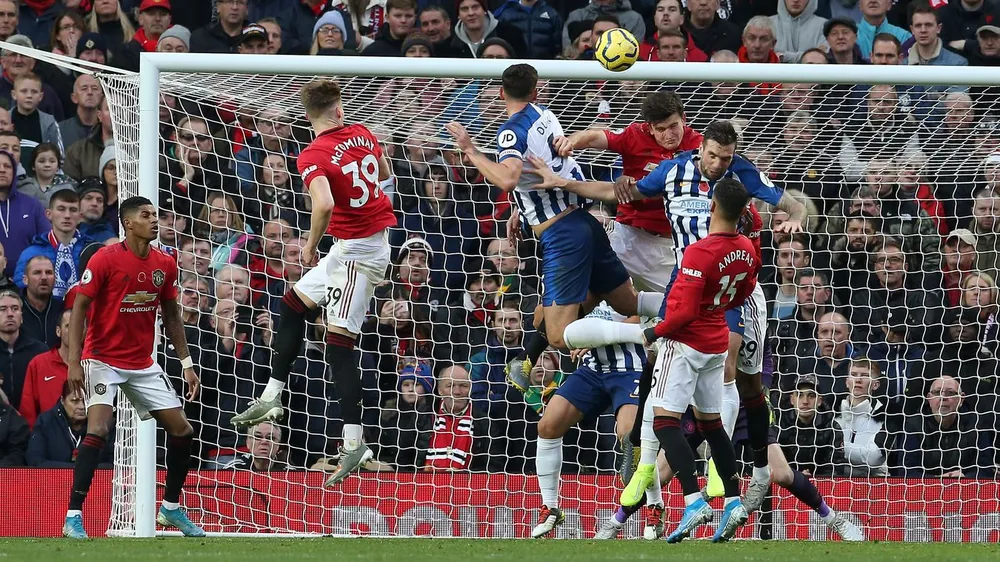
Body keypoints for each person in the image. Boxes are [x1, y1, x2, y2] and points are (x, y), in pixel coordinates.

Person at [229, 79, 397, 489]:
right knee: (291, 305)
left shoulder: (312, 154)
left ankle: (354, 443)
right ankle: (271, 397)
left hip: (356, 254)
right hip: (357, 246)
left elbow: (322, 203)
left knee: (338, 344)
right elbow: (387, 174)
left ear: (308, 117)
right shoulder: (362, 133)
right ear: (339, 110)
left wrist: (309, 246)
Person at [445, 63, 636, 368]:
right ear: (535, 92)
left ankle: (646, 333)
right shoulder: (545, 114)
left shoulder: (510, 132)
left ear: (500, 92)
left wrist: (471, 150)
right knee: (624, 303)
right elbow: (540, 170)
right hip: (582, 221)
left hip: (562, 236)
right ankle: (524, 364)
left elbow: (508, 179)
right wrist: (521, 208)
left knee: (559, 336)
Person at [61, 196, 203, 540]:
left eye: (155, 214)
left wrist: (186, 363)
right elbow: (80, 307)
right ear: (128, 223)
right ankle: (73, 517)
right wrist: (74, 361)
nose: (154, 220)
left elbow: (171, 315)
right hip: (102, 358)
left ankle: (169, 508)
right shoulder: (106, 259)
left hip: (141, 361)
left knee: (182, 431)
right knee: (98, 429)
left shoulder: (165, 263)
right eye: (146, 215)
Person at [634, 178, 758, 543]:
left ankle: (692, 501)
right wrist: (715, 308)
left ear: (713, 207)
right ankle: (734, 502)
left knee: (664, 421)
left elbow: (685, 311)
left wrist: (654, 333)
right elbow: (746, 290)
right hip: (717, 341)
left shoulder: (699, 252)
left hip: (685, 344)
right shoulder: (748, 248)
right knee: (712, 425)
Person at [509, 302, 647, 538]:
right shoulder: (579, 277)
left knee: (629, 434)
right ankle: (550, 506)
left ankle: (655, 507)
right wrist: (553, 296)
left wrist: (594, 337)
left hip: (630, 368)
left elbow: (641, 318)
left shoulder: (629, 273)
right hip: (592, 369)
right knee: (548, 425)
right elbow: (539, 322)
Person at [553, 91, 703, 293]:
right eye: (660, 129)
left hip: (670, 245)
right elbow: (592, 137)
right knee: (582, 297)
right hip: (627, 237)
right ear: (649, 128)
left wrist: (634, 185)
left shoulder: (699, 147)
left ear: (683, 119)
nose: (669, 135)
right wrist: (569, 142)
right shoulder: (634, 135)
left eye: (674, 126)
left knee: (681, 307)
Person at [27, 380, 113, 467]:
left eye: (87, 401)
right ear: (62, 400)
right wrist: (75, 470)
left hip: (94, 479)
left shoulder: (104, 422)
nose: (82, 407)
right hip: (54, 479)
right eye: (74, 401)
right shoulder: (45, 421)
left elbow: (112, 464)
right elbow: (35, 461)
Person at [19, 309, 72, 428]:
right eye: (69, 326)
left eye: (79, 326)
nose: (74, 331)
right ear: (58, 331)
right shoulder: (39, 364)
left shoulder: (94, 366)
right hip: (47, 440)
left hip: (86, 442)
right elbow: (28, 411)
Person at [222, 422, 288, 471]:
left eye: (270, 438)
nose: (264, 442)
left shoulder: (288, 471)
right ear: (248, 443)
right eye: (258, 436)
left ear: (278, 445)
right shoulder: (234, 468)